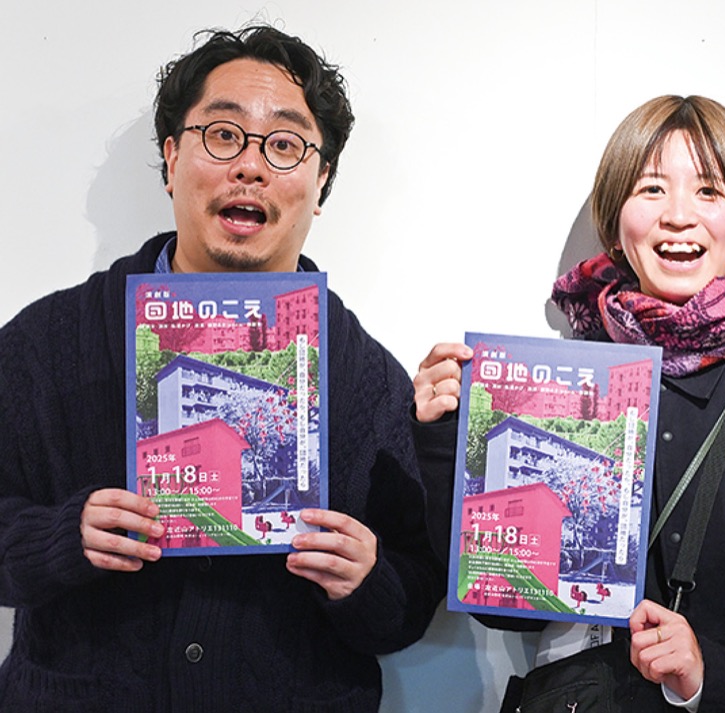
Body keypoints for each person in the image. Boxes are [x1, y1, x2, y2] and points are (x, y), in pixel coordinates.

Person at [0, 25, 448, 710]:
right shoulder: (46, 344)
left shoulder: (368, 380)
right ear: (172, 157)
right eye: (223, 135)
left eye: (285, 145)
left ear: (321, 181)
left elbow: (411, 602)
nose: (251, 166)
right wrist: (61, 537)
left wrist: (368, 579)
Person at [416, 95, 725, 711]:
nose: (678, 216)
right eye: (652, 189)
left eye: (709, 191)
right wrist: (446, 436)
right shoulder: (561, 384)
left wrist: (707, 671)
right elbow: (510, 608)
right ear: (617, 223)